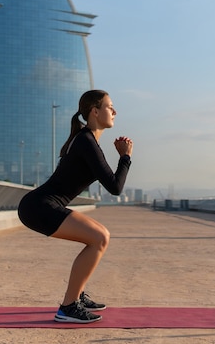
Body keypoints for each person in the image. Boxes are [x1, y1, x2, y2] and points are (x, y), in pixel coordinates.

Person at [18, 90, 133, 323]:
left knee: (98, 238)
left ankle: (76, 296)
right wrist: (125, 157)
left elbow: (111, 183)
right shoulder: (85, 141)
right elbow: (115, 187)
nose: (114, 111)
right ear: (95, 111)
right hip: (40, 206)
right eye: (110, 106)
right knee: (100, 237)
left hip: (39, 205)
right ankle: (68, 307)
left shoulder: (86, 140)